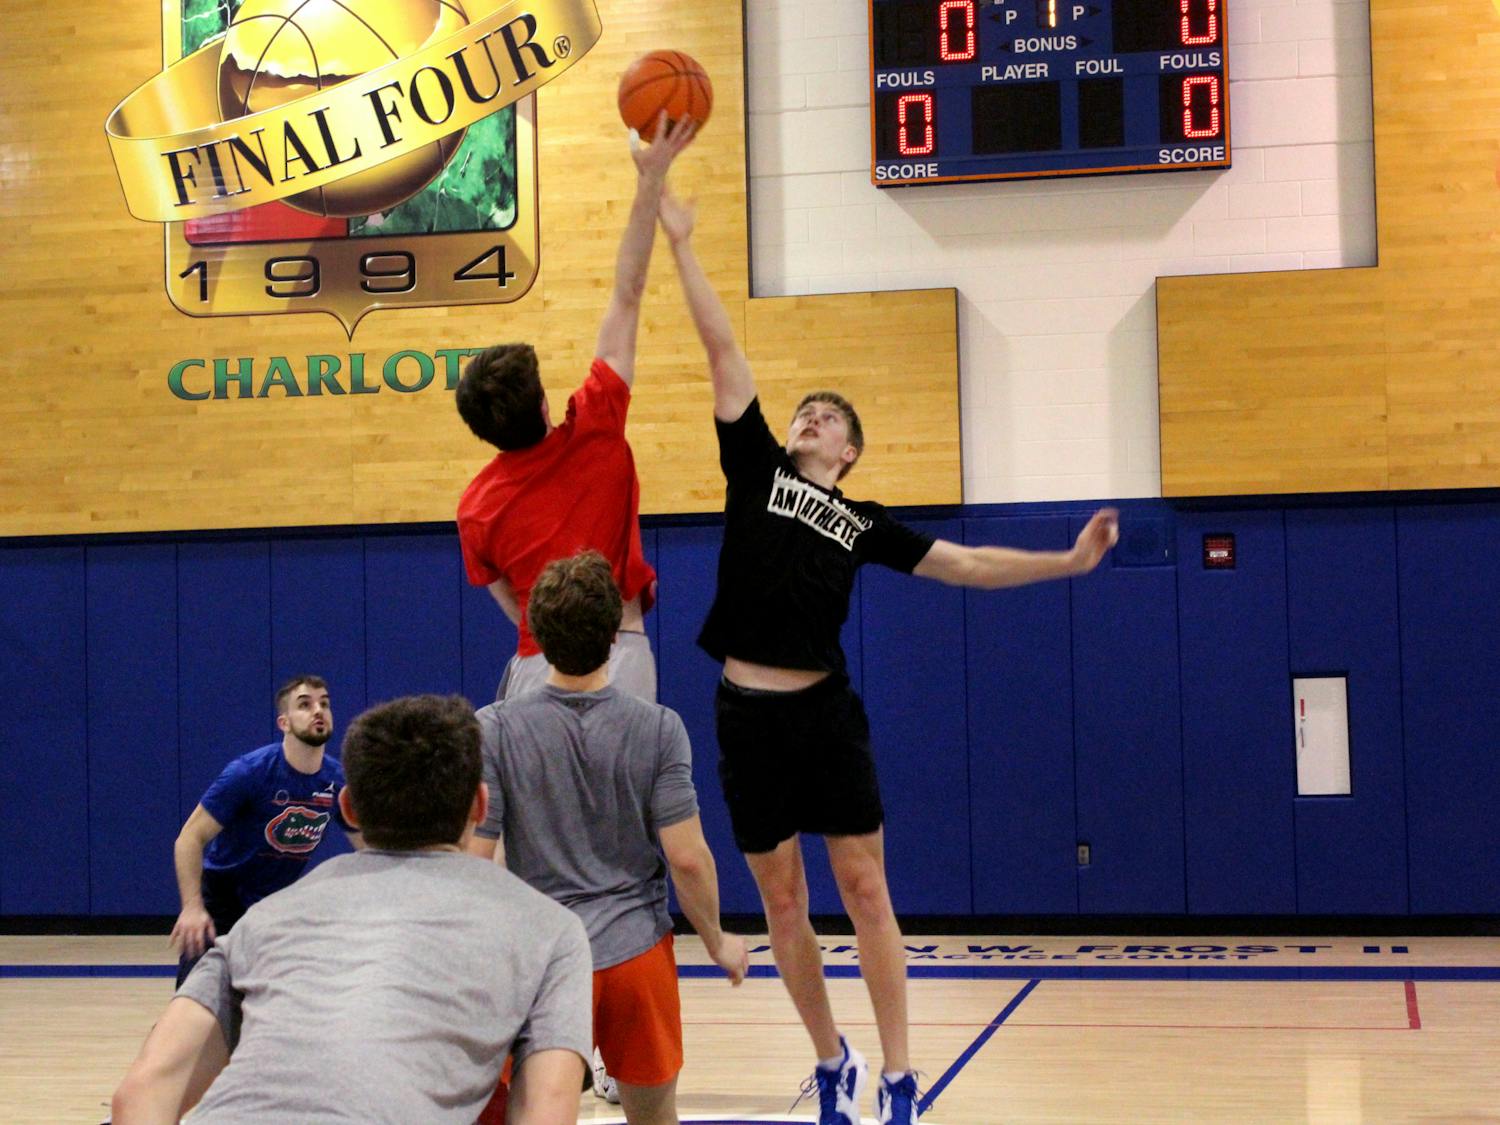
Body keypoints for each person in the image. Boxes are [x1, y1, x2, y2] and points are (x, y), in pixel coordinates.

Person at [658, 189, 1120, 1125]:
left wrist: (1066, 561)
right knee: (783, 906)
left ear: (852, 450)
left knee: (865, 886)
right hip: (744, 716)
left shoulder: (863, 521)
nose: (813, 416)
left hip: (824, 716)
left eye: (830, 416)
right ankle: (832, 1060)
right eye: (807, 410)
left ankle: (901, 1077)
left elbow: (970, 564)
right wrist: (682, 245)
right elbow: (720, 349)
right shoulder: (754, 471)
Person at [112, 694, 593, 1125]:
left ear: (348, 807)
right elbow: (546, 1112)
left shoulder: (265, 919)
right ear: (480, 806)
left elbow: (140, 1094)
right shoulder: (550, 929)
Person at [468, 550, 750, 1125]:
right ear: (614, 640)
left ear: (539, 639)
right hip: (636, 955)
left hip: (543, 959)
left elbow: (476, 860)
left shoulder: (494, 727)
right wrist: (717, 940)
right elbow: (688, 859)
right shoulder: (659, 728)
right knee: (653, 1118)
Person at [455, 113, 699, 704]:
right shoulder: (596, 425)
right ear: (544, 403)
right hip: (622, 653)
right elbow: (628, 290)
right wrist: (649, 181)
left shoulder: (476, 509)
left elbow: (515, 605)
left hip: (539, 667)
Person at [169, 675, 361, 987]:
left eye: (324, 703)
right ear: (284, 722)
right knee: (196, 1003)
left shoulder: (337, 781)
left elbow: (367, 848)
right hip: (222, 901)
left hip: (274, 908)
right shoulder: (250, 773)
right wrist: (192, 907)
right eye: (305, 704)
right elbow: (189, 838)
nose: (318, 710)